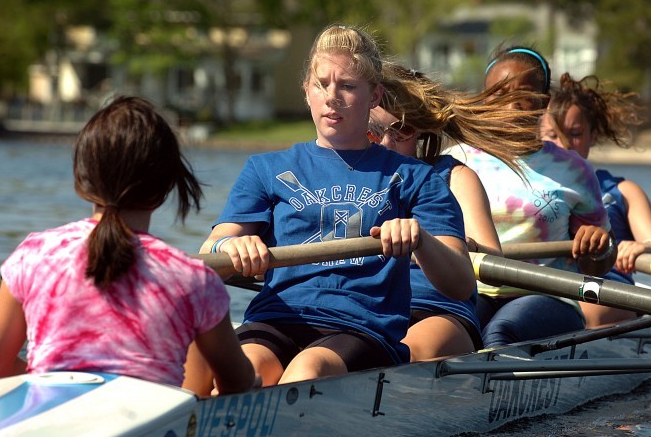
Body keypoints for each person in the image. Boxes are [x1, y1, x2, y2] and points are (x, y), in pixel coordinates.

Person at [190, 25, 474, 388]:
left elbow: (461, 284)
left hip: (360, 328)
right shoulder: (265, 168)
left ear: (375, 96)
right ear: (307, 91)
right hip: (276, 317)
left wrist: (421, 241)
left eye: (348, 86)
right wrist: (228, 246)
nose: (332, 97)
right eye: (321, 84)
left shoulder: (415, 177)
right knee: (240, 373)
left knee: (307, 372)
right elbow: (208, 252)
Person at [0, 96, 256, 395]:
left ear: (82, 181)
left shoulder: (32, 256)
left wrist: (42, 378)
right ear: (164, 189)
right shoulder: (195, 279)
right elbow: (238, 383)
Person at [368, 63, 543, 360]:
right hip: (364, 307)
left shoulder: (455, 177)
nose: (386, 143)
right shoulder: (345, 178)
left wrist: (449, 245)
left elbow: (492, 266)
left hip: (435, 307)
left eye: (402, 130)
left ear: (421, 131)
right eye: (374, 132)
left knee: (402, 355)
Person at [445, 45, 615, 347]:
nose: (511, 108)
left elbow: (598, 266)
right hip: (471, 292)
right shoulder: (454, 162)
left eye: (522, 96)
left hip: (547, 297)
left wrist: (597, 247)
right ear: (485, 101)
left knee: (500, 333)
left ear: (544, 102)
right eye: (499, 95)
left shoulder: (574, 170)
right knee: (445, 328)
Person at [540, 73, 651, 327]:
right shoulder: (522, 192)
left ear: (593, 135)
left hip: (608, 290)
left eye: (574, 133)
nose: (563, 145)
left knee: (579, 312)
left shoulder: (623, 191)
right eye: (551, 135)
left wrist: (645, 247)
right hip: (547, 286)